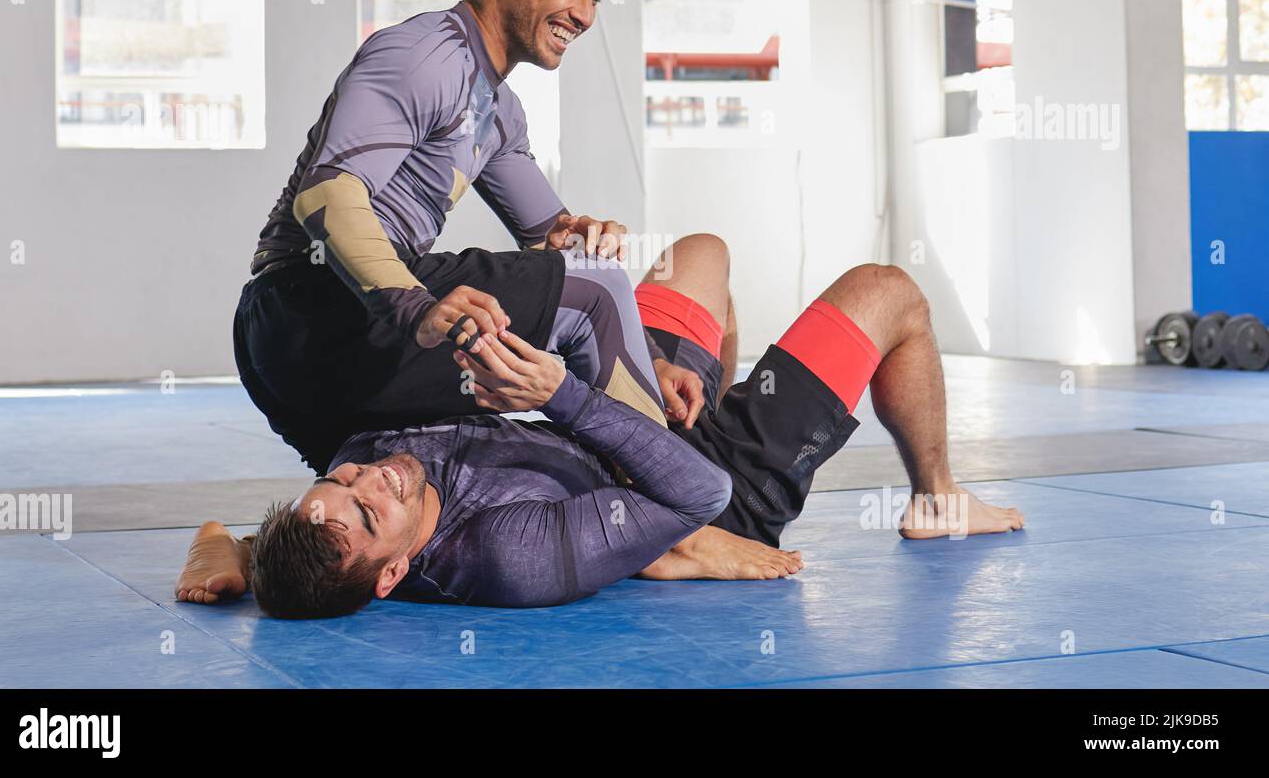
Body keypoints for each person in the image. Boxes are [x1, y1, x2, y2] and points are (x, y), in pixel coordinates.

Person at [178, 235, 1027, 615]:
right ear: (397, 571)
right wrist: (567, 395)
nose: (373, 477)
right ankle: (938, 498)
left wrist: (238, 548)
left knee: (700, 255)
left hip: (620, 421)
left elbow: (327, 534)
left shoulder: (357, 485)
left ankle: (699, 397)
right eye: (369, 508)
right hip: (699, 498)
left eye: (340, 481)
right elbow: (699, 487)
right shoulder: (507, 555)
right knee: (888, 292)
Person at [235, 0, 687, 477]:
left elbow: (554, 244)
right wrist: (413, 306)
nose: (585, 15)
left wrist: (642, 350)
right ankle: (673, 510)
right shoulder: (426, 55)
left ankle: (234, 548)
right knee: (595, 284)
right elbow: (327, 197)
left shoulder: (499, 110)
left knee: (397, 510)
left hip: (319, 350)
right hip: (311, 308)